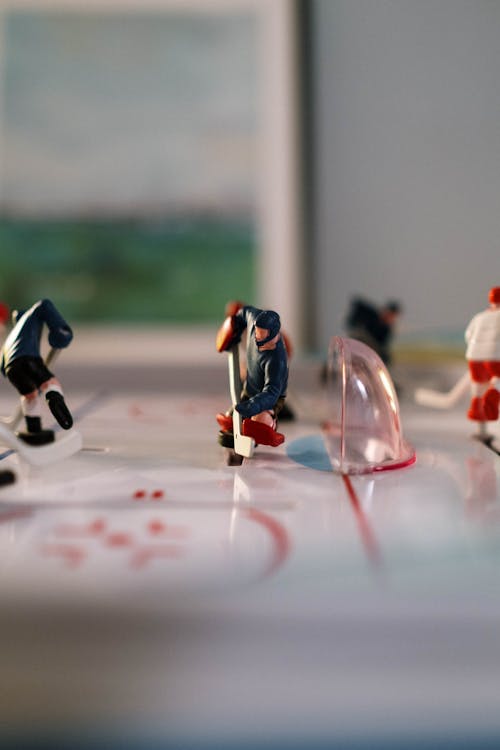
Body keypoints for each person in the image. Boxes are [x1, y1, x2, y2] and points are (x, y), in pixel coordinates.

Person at [1, 299, 74, 443]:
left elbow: (2, 364)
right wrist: (61, 330)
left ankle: (33, 429)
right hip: (29, 358)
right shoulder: (31, 315)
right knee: (49, 382)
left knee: (30, 395)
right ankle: (54, 397)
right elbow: (44, 304)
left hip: (12, 369)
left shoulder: (11, 337)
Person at [216, 305, 289, 446]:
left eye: (263, 336)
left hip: (268, 399)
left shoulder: (277, 360)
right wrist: (235, 325)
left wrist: (253, 406)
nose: (258, 339)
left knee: (260, 420)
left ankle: (269, 425)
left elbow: (272, 392)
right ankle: (240, 426)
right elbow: (243, 312)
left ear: (275, 334)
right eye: (257, 333)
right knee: (232, 417)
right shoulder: (254, 321)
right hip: (250, 387)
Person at [465, 286, 500, 422]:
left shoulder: (479, 316)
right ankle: (494, 394)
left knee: (478, 384)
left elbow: (468, 335)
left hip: (474, 357)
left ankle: (476, 410)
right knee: (497, 379)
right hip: (495, 357)